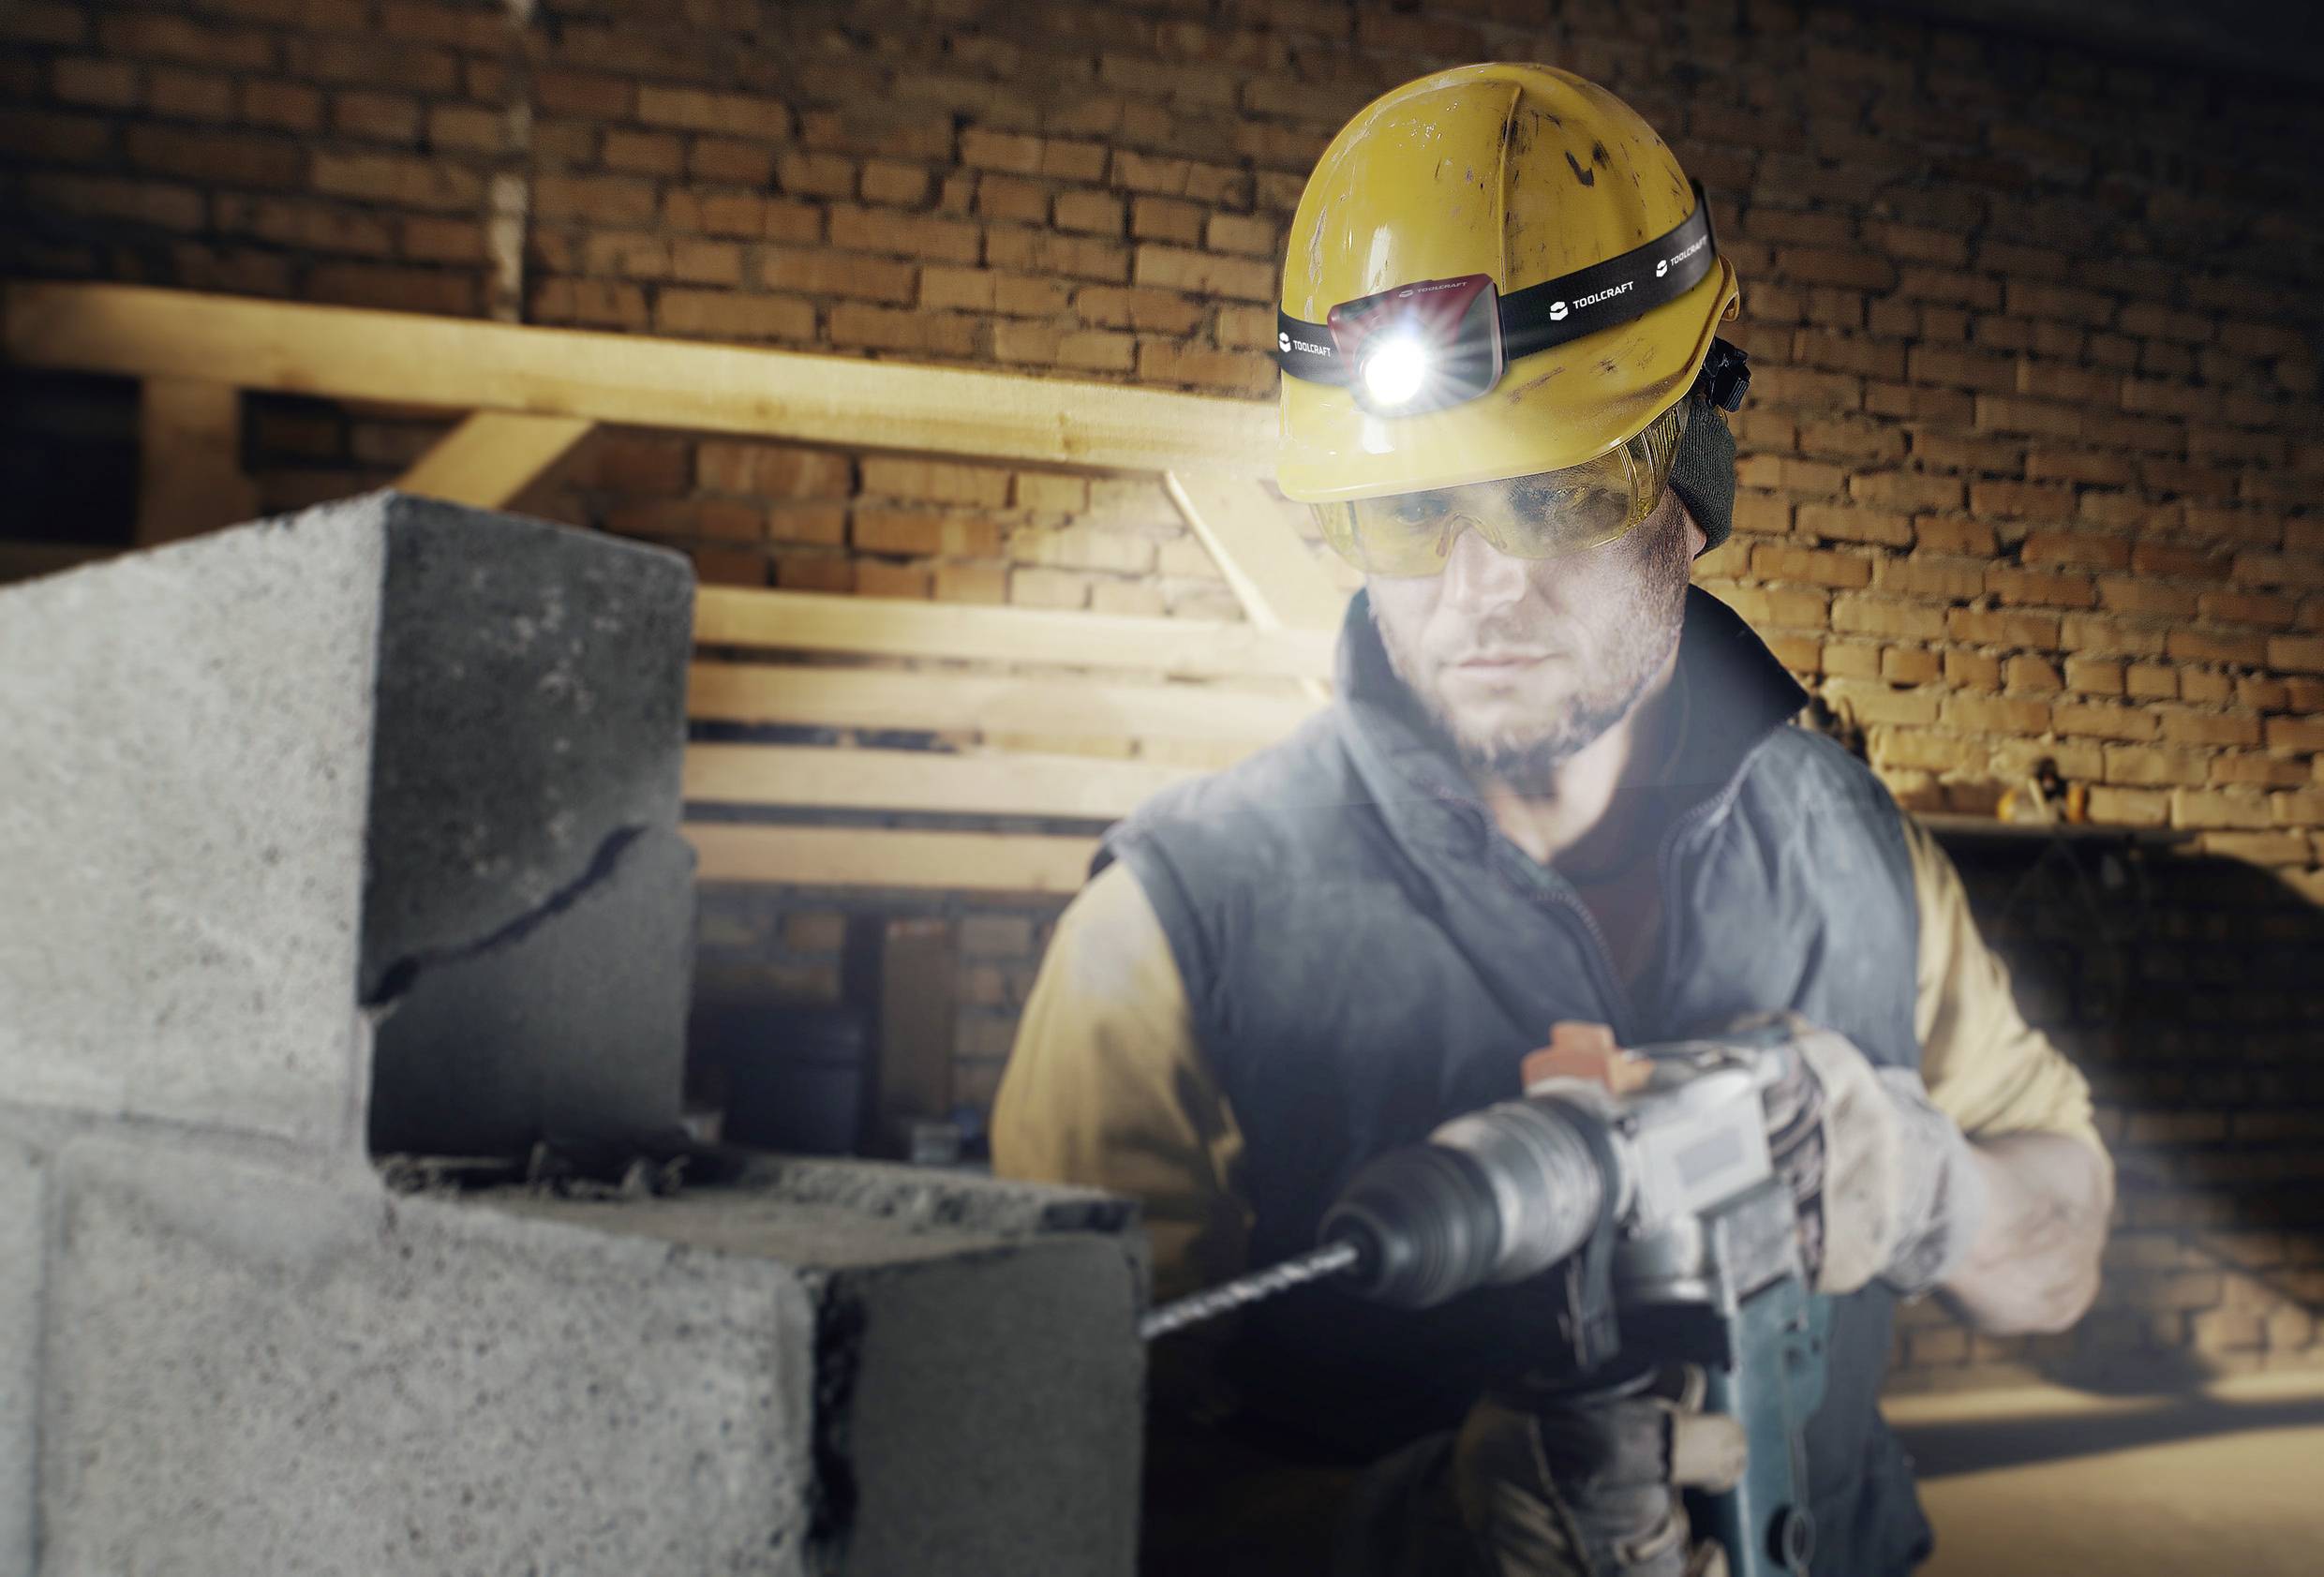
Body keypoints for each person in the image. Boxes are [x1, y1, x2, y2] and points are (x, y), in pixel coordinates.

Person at [993, 63, 2113, 1577]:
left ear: (1694, 467)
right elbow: (1014, 1477)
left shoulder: (1861, 854)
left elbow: (2063, 1256)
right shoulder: (1172, 930)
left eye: (1562, 493)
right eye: (1407, 514)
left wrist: (1938, 1192)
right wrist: (1390, 1535)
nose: (1482, 582)